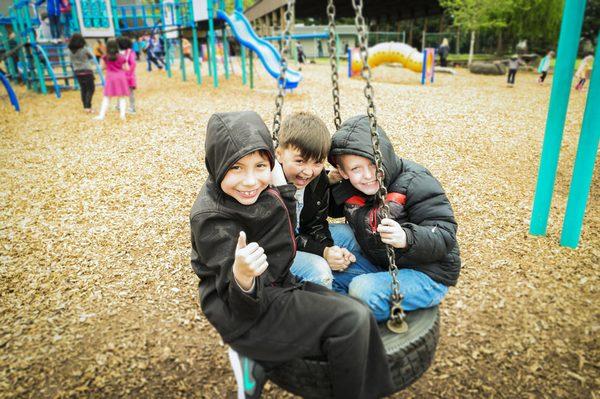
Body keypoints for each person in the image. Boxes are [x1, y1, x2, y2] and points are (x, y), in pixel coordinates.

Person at [190, 111, 395, 399]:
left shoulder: (261, 189)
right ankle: (255, 353)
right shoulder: (211, 218)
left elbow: (285, 244)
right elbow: (239, 304)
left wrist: (281, 188)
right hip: (244, 310)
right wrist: (242, 276)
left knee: (358, 314)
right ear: (216, 164)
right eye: (236, 167)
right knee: (350, 322)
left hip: (275, 283)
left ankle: (365, 390)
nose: (250, 181)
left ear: (270, 163)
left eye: (259, 165)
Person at [327, 115, 461, 322]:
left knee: (362, 289)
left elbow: (444, 234)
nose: (368, 175)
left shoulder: (416, 181)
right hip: (382, 261)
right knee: (326, 264)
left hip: (428, 273)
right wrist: (320, 180)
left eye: (373, 164)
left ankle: (371, 326)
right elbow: (322, 209)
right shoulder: (351, 185)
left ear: (384, 156)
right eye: (355, 169)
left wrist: (406, 237)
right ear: (343, 172)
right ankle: (346, 316)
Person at [275, 112, 356, 289]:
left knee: (350, 235)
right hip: (276, 249)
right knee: (320, 271)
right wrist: (323, 253)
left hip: (301, 236)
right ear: (279, 155)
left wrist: (331, 250)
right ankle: (319, 308)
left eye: (317, 163)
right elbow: (283, 238)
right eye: (300, 161)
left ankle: (355, 279)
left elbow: (316, 225)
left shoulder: (318, 181)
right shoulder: (270, 185)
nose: (308, 172)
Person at [94, 39, 129, 120]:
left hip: (110, 77)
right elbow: (127, 68)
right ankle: (122, 116)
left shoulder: (105, 57)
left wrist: (108, 66)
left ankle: (101, 116)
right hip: (120, 77)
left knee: (107, 97)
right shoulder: (122, 57)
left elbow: (102, 67)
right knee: (122, 97)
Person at [68, 33, 95, 112]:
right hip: (87, 71)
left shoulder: (69, 51)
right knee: (90, 89)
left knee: (83, 89)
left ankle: (85, 107)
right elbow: (91, 57)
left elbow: (71, 61)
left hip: (77, 71)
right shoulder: (84, 49)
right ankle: (88, 107)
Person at [118, 36, 137, 114]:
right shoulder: (127, 52)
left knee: (125, 91)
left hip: (125, 75)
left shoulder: (127, 52)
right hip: (125, 76)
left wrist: (128, 72)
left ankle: (131, 107)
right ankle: (127, 106)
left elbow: (133, 63)